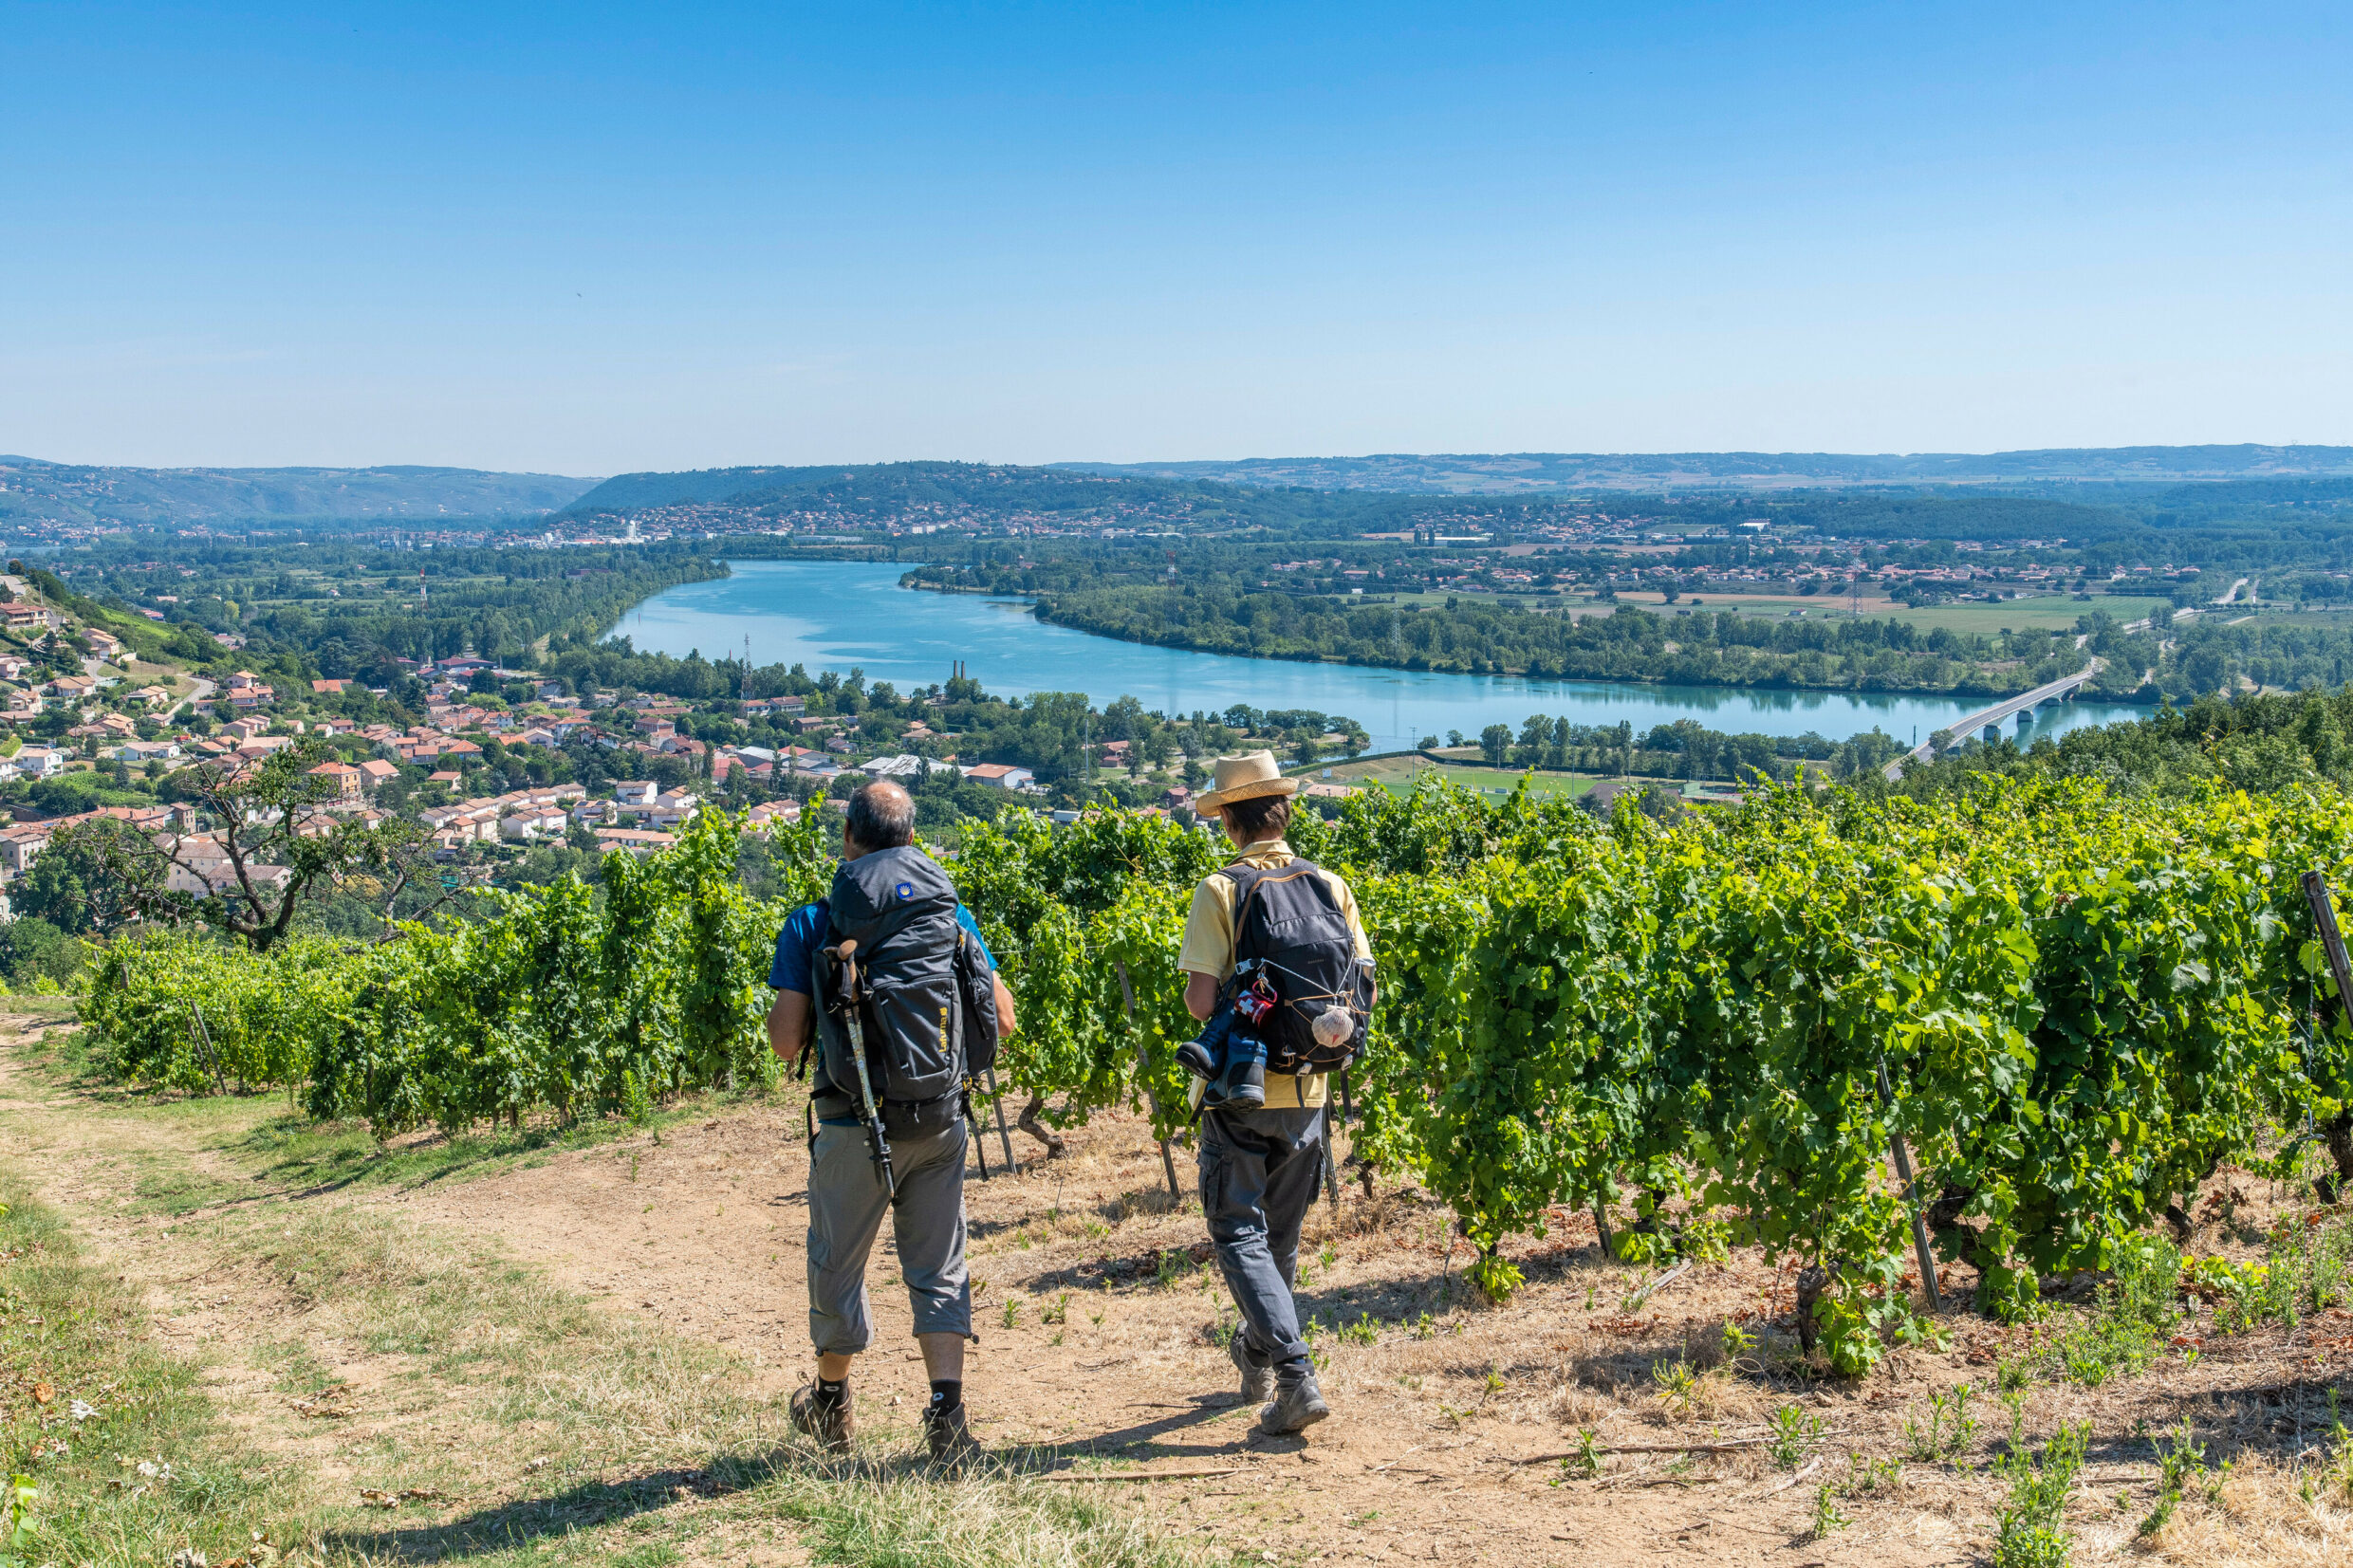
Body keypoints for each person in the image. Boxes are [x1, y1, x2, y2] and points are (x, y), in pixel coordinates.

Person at [765, 779, 1017, 1461]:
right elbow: (1005, 1015)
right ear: (911, 842)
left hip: (852, 1120)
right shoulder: (947, 915)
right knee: (939, 1264)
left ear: (849, 839)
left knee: (837, 1263)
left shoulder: (815, 921)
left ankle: (830, 1403)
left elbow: (786, 1041)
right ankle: (946, 1413)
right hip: (939, 1118)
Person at [1179, 750, 1374, 1436]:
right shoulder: (1332, 884)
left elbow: (1203, 1001)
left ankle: (1294, 1373)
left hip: (1242, 1087)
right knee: (1280, 1240)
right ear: (1283, 812)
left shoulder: (1220, 890)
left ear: (1229, 820)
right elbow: (1362, 984)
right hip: (1313, 1088)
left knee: (1237, 1229)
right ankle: (1258, 1349)